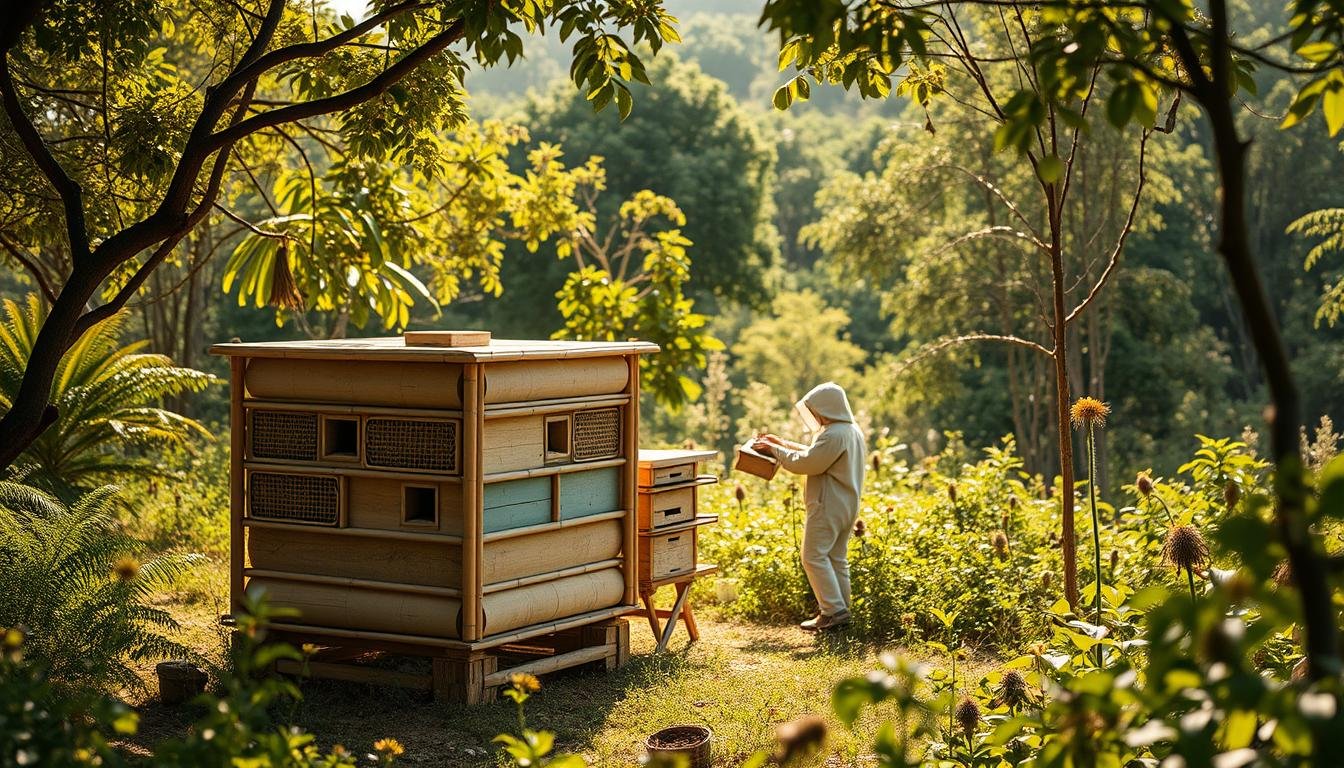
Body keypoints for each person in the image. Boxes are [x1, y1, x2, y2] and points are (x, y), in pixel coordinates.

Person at [752, 382, 866, 632]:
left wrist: (773, 449)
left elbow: (808, 463)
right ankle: (841, 610)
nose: (815, 415)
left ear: (827, 407)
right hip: (846, 504)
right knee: (836, 558)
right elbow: (816, 454)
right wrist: (781, 443)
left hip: (828, 505)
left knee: (812, 556)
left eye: (816, 410)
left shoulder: (834, 433)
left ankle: (833, 611)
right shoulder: (850, 431)